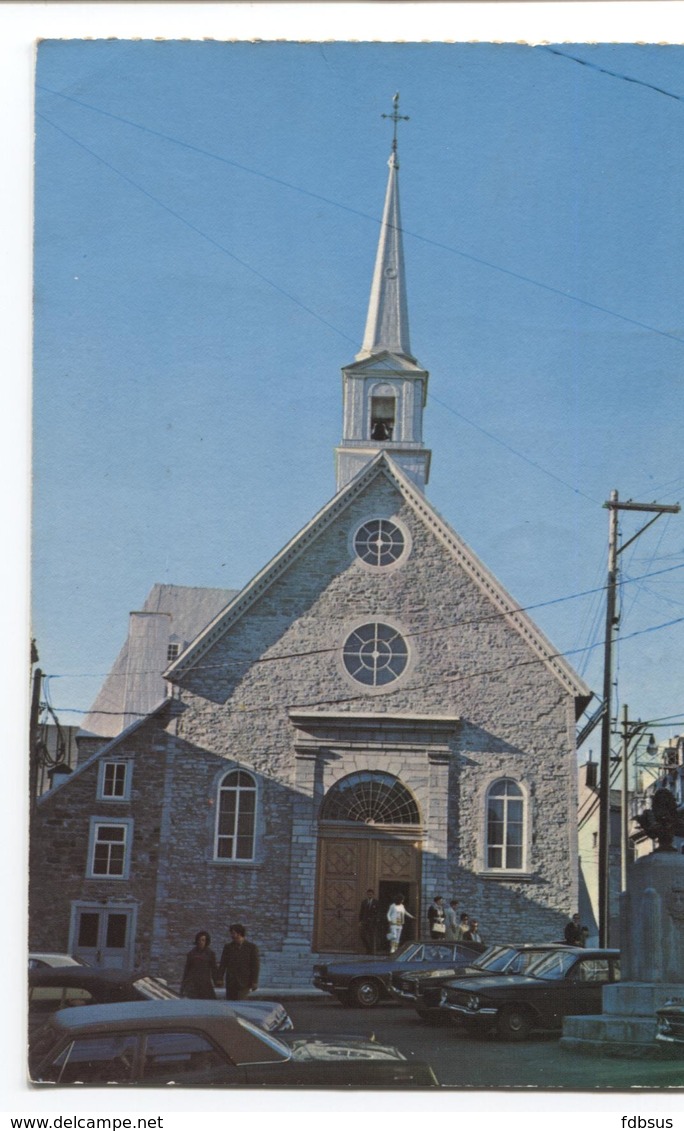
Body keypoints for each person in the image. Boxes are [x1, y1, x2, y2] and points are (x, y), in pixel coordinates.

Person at [217, 923, 260, 1000]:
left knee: (241, 1002)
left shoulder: (251, 948)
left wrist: (254, 981)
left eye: (233, 933)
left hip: (245, 982)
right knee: (230, 1003)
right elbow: (223, 964)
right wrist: (220, 978)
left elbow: (255, 966)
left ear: (239, 933)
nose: (231, 936)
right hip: (231, 982)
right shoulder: (228, 947)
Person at [180, 930, 219, 999]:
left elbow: (214, 969)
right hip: (193, 985)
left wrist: (217, 981)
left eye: (203, 940)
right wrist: (183, 986)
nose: (200, 942)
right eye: (199, 940)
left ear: (206, 941)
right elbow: (187, 971)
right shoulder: (192, 954)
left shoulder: (210, 954)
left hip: (206, 984)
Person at [358, 889, 380, 954]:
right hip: (364, 921)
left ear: (373, 895)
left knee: (371, 936)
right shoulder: (364, 902)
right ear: (367, 894)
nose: (369, 895)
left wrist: (376, 920)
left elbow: (378, 912)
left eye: (371, 894)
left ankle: (371, 951)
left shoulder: (376, 902)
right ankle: (368, 948)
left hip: (372, 922)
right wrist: (360, 921)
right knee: (362, 935)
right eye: (368, 894)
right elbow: (361, 912)